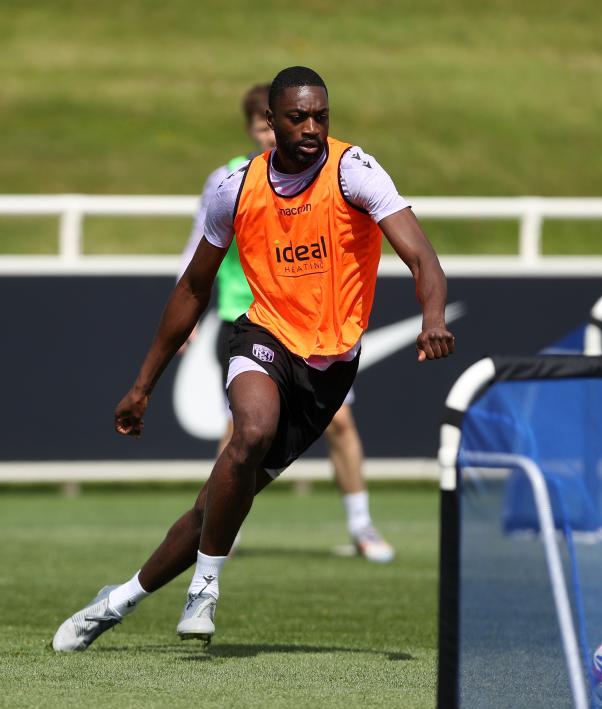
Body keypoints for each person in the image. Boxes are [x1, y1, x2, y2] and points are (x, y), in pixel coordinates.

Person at [52, 66, 454, 651]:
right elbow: (192, 286)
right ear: (270, 122)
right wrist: (143, 385)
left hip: (330, 368)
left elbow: (423, 258)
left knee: (211, 508)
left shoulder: (355, 171)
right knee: (251, 432)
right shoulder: (234, 187)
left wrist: (434, 318)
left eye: (321, 115)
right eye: (298, 117)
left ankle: (116, 600)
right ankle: (205, 587)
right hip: (262, 334)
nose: (312, 128)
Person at [178, 83, 394, 562]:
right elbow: (198, 251)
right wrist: (186, 321)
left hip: (314, 324)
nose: (267, 134)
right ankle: (221, 528)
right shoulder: (231, 180)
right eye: (259, 125)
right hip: (247, 317)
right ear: (260, 126)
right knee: (240, 429)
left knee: (339, 422)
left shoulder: (328, 174)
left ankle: (362, 526)